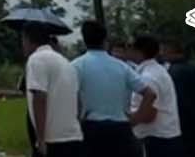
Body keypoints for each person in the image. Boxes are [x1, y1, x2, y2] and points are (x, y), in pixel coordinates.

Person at [71, 20, 153, 157]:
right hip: (120, 128)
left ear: (84, 39)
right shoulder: (121, 66)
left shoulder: (76, 66)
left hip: (92, 127)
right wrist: (136, 118)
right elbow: (150, 94)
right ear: (105, 40)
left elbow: (73, 97)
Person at [21, 24, 84, 157]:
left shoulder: (36, 59)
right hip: (73, 137)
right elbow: (78, 100)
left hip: (53, 140)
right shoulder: (65, 62)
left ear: (27, 39)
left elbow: (40, 97)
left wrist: (41, 139)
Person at [127, 34, 183, 157]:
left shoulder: (148, 77)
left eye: (130, 47)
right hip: (164, 137)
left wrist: (126, 122)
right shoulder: (157, 70)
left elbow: (148, 114)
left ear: (139, 52)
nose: (128, 50)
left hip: (156, 138)